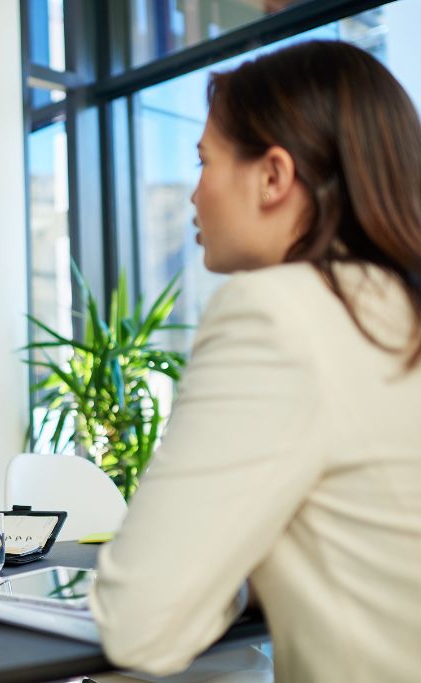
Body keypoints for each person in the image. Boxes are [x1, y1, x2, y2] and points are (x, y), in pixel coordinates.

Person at [89, 40, 421, 682]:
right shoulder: (396, 310)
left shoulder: (280, 311)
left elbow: (140, 624)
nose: (192, 195)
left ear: (273, 176)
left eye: (203, 162)